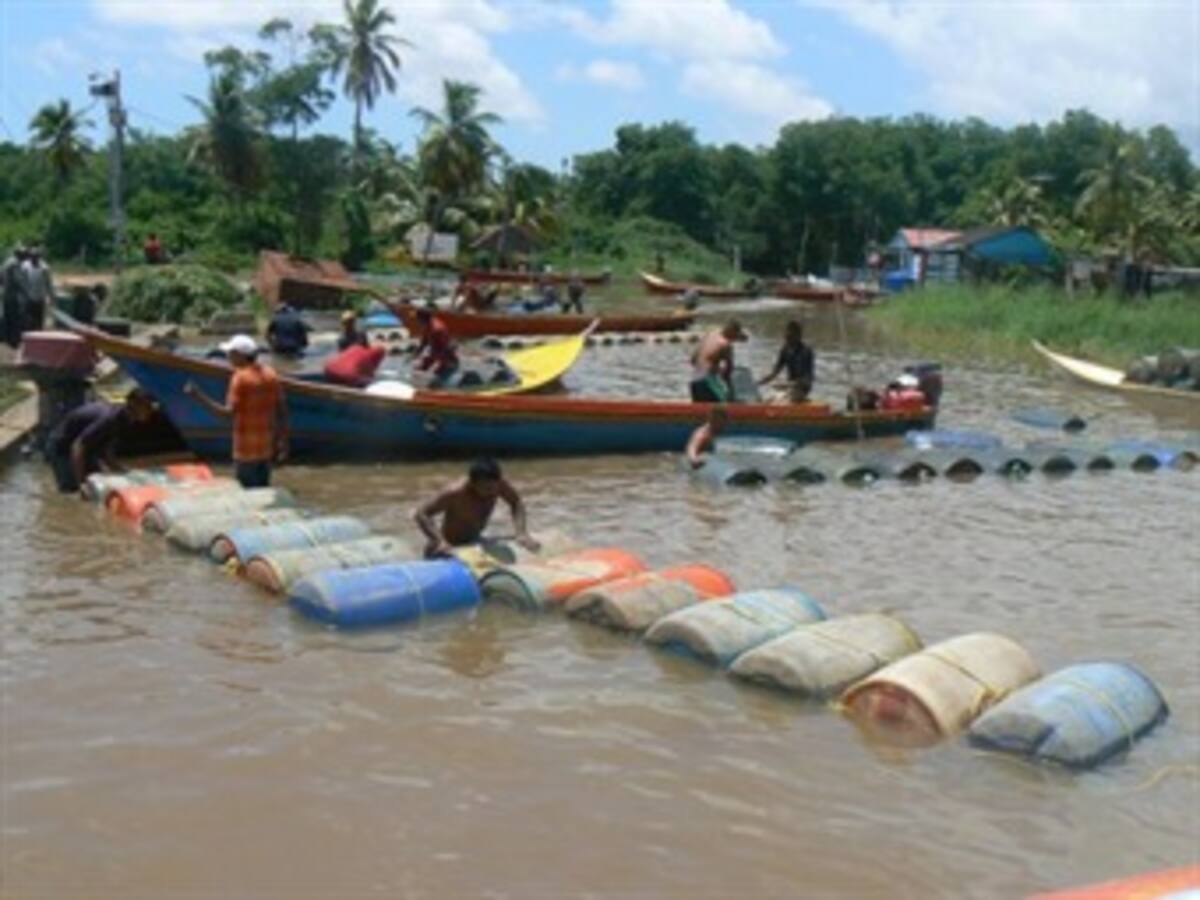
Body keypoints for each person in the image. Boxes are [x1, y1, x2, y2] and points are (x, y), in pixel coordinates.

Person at [184, 334, 288, 488]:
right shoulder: (270, 374)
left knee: (246, 494)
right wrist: (283, 440)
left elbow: (227, 414)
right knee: (263, 491)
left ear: (240, 355)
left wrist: (198, 396)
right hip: (265, 450)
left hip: (245, 452)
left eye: (230, 353)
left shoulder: (239, 378)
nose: (228, 357)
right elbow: (281, 409)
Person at [414, 457, 540, 558]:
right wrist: (439, 541)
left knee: (534, 547)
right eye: (486, 489)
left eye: (494, 488)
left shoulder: (500, 484)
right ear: (472, 483)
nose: (491, 493)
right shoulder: (455, 492)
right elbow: (421, 513)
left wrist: (521, 533)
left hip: (473, 542)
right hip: (448, 547)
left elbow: (516, 502)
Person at [45, 388, 156, 493]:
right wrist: (82, 483)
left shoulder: (126, 419)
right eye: (147, 406)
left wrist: (119, 469)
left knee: (97, 483)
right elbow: (78, 446)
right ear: (133, 404)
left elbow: (107, 445)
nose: (151, 409)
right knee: (72, 491)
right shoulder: (109, 418)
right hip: (62, 447)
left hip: (86, 448)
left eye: (151, 405)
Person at [689, 320, 747, 403]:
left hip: (694, 382)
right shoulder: (726, 345)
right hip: (707, 383)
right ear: (732, 332)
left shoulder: (711, 334)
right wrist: (732, 392)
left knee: (702, 413)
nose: (734, 340)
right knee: (723, 407)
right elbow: (728, 371)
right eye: (735, 336)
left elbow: (693, 360)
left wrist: (716, 368)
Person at [758, 320, 815, 402]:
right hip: (789, 387)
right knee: (767, 399)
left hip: (802, 388)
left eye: (790, 337)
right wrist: (758, 383)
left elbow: (807, 379)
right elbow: (774, 373)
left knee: (784, 399)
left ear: (798, 336)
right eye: (786, 336)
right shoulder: (785, 350)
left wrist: (787, 384)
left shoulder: (806, 351)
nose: (787, 339)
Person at [413, 306, 459, 386]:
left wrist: (435, 363)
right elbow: (424, 342)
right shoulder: (427, 326)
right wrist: (416, 354)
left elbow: (446, 348)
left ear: (422, 319)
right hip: (437, 357)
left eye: (417, 319)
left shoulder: (437, 329)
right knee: (418, 371)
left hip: (448, 361)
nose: (416, 321)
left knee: (434, 383)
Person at [2, 243, 28, 348]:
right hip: (13, 295)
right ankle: (14, 341)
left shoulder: (7, 262)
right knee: (14, 318)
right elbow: (18, 280)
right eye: (24, 255)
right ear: (20, 254)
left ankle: (7, 339)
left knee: (7, 317)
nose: (25, 257)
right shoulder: (15, 264)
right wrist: (25, 292)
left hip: (5, 293)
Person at [22, 245, 53, 334]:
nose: (33, 259)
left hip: (40, 298)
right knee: (28, 320)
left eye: (36, 257)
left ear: (39, 257)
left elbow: (49, 284)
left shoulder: (45, 268)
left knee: (39, 319)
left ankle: (38, 336)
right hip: (28, 298)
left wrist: (51, 296)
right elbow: (22, 282)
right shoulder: (25, 267)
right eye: (32, 257)